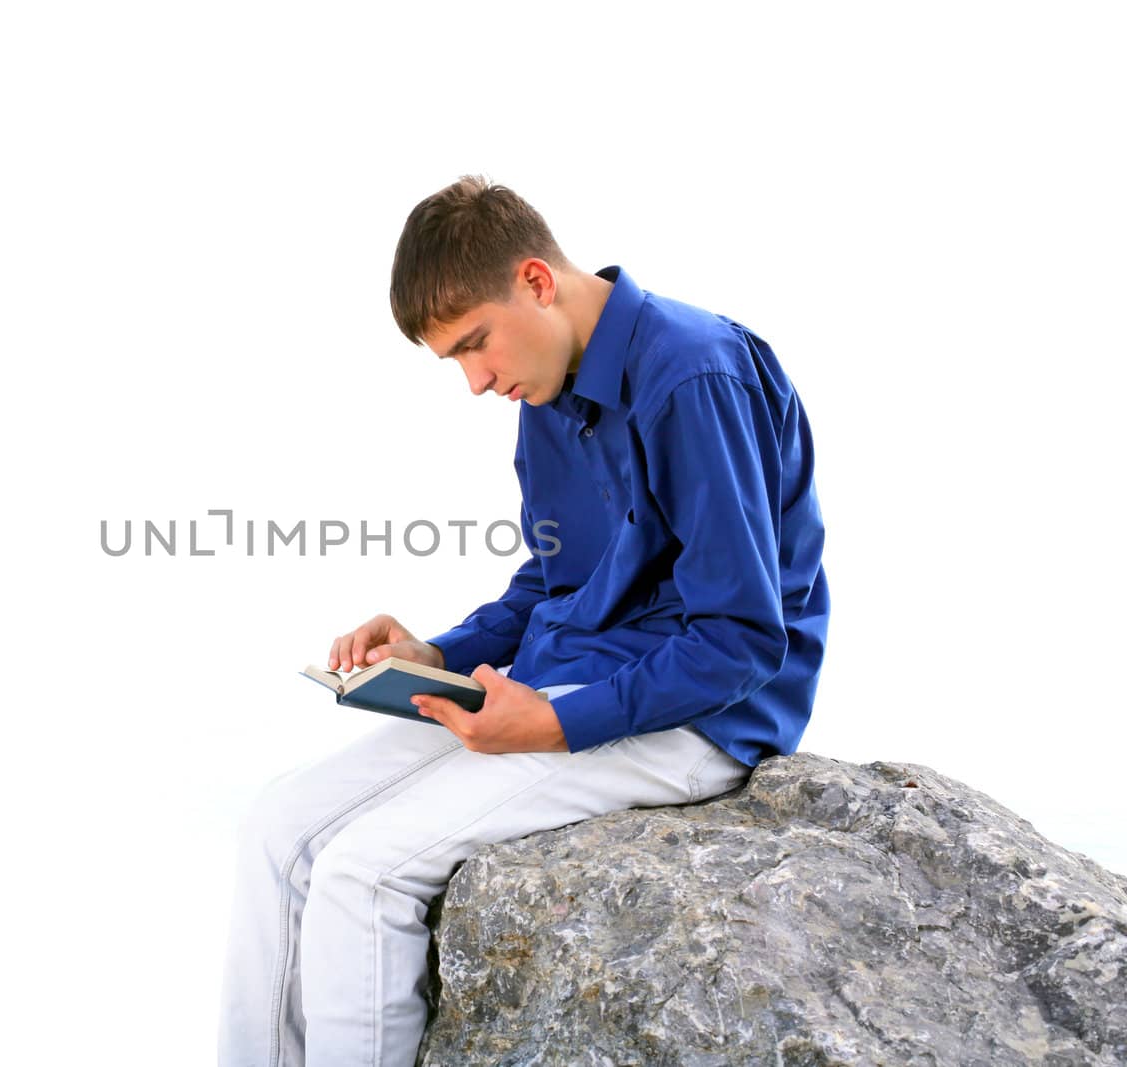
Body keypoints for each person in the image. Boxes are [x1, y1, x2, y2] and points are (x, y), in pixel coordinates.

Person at [216, 175, 830, 1067]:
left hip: (696, 714)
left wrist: (549, 721)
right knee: (278, 826)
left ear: (537, 281)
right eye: (451, 362)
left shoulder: (693, 374)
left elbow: (741, 638)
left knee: (367, 871)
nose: (474, 382)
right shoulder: (546, 394)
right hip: (564, 679)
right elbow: (550, 583)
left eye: (475, 345)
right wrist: (435, 653)